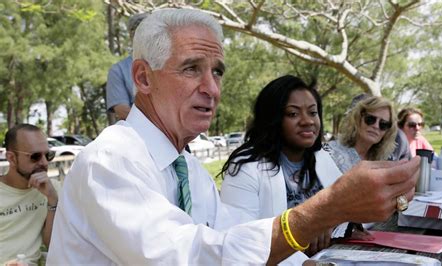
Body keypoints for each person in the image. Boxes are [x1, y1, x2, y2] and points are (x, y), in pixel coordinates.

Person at [47, 9, 420, 265]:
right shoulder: (110, 160)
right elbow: (191, 256)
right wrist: (329, 208)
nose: (212, 88)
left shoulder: (188, 168)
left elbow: (233, 232)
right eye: (192, 68)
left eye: (218, 72)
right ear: (143, 78)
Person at [220, 75, 341, 259]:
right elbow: (240, 243)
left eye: (313, 112)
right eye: (293, 114)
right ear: (273, 119)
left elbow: (344, 211)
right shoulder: (245, 168)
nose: (307, 121)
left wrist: (327, 225)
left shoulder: (322, 158)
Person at [0, 124, 60, 265]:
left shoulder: (52, 190)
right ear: (12, 158)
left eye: (48, 155)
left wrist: (52, 200)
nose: (44, 162)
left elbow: (53, 245)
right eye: (35, 156)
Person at [328, 95, 398, 174]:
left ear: (387, 131)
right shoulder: (331, 151)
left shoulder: (386, 162)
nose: (376, 126)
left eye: (383, 124)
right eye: (370, 119)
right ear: (358, 119)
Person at [106, 13, 148, 122]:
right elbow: (122, 111)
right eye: (139, 32)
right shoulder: (118, 71)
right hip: (137, 133)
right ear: (131, 36)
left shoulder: (167, 64)